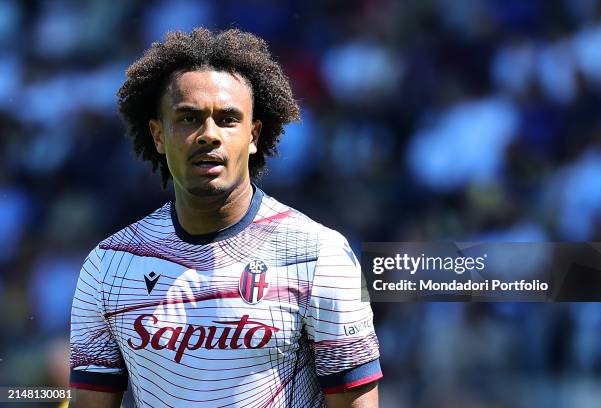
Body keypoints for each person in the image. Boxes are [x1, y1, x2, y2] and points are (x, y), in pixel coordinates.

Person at [69, 27, 382, 408]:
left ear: (253, 135)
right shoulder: (108, 267)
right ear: (157, 135)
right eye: (188, 118)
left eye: (228, 119)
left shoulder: (320, 255)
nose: (208, 135)